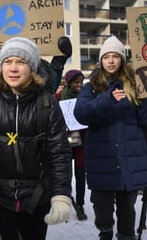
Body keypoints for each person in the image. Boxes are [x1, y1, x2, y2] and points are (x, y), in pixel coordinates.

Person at [73, 35, 147, 240]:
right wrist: (107, 99)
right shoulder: (91, 87)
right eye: (106, 56)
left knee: (127, 217)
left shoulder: (136, 86)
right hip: (102, 164)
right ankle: (105, 235)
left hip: (129, 163)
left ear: (122, 59)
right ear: (101, 60)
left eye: (115, 56)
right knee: (103, 215)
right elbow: (81, 114)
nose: (111, 60)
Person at [0, 37, 73, 240]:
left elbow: (58, 153)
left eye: (21, 62)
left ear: (32, 68)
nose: (13, 68)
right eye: (8, 62)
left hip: (37, 197)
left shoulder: (47, 102)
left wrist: (61, 196)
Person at [59, 69, 87, 221]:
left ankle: (80, 205)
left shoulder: (85, 97)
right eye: (77, 82)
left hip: (82, 140)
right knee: (66, 175)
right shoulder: (59, 96)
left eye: (81, 82)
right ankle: (66, 204)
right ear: (69, 83)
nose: (80, 85)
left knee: (81, 174)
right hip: (66, 140)